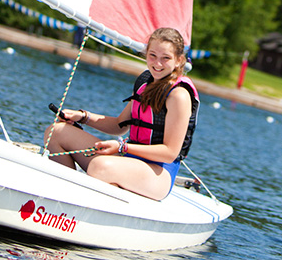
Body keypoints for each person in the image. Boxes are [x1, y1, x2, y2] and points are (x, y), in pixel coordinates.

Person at [45, 27, 199, 200]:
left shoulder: (179, 96)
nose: (157, 63)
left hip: (158, 173)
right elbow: (119, 125)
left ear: (179, 60)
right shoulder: (144, 83)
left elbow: (170, 153)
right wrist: (83, 116)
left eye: (166, 58)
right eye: (153, 55)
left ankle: (85, 202)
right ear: (146, 54)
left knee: (99, 166)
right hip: (128, 157)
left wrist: (121, 147)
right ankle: (61, 198)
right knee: (56, 132)